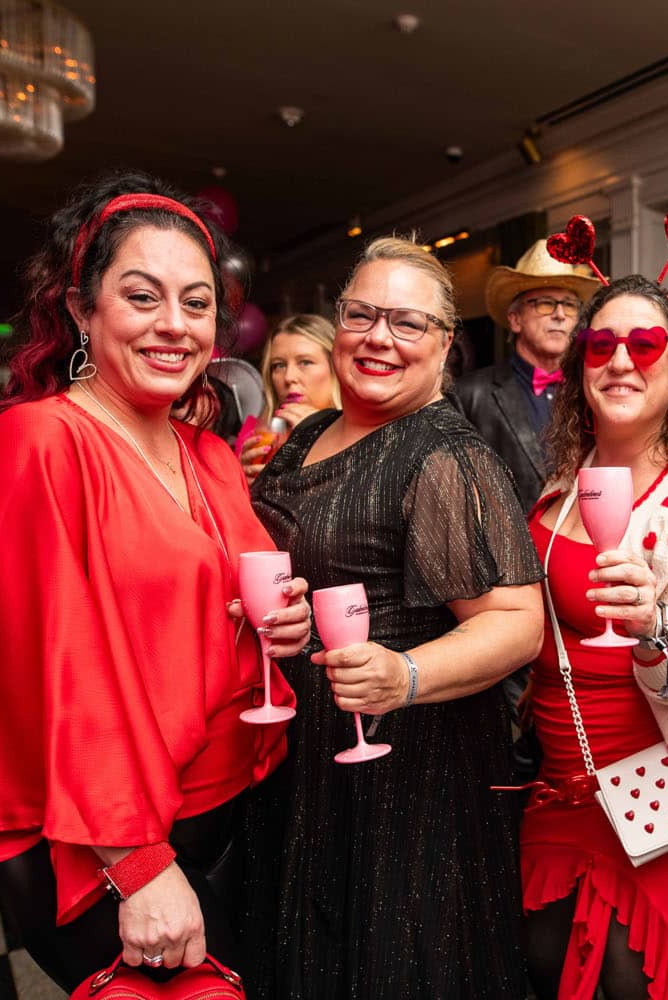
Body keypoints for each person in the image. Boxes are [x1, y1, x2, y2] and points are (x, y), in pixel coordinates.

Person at [0, 173, 312, 991]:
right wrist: (136, 863)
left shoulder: (205, 456)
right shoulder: (36, 443)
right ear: (82, 310)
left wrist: (274, 626)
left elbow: (191, 607)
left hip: (221, 813)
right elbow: (43, 672)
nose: (174, 325)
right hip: (102, 841)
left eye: (197, 304)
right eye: (142, 296)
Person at [241, 236, 544, 999]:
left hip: (407, 774)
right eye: (362, 314)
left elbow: (517, 623)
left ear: (445, 344)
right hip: (309, 752)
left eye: (407, 323)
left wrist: (404, 674)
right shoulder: (309, 433)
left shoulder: (443, 455)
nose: (379, 337)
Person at [520, 273, 668, 1000]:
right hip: (559, 790)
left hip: (662, 793)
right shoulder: (562, 482)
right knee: (545, 970)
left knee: (632, 982)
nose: (620, 360)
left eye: (645, 344)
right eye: (600, 343)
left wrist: (655, 626)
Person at [450, 239, 601, 510]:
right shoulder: (468, 395)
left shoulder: (595, 389)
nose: (559, 314)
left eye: (569, 304)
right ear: (515, 319)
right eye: (545, 303)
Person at [240, 313, 339, 478]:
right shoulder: (257, 437)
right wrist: (239, 484)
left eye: (305, 362)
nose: (288, 377)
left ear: (335, 366)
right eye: (279, 365)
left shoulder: (360, 435)